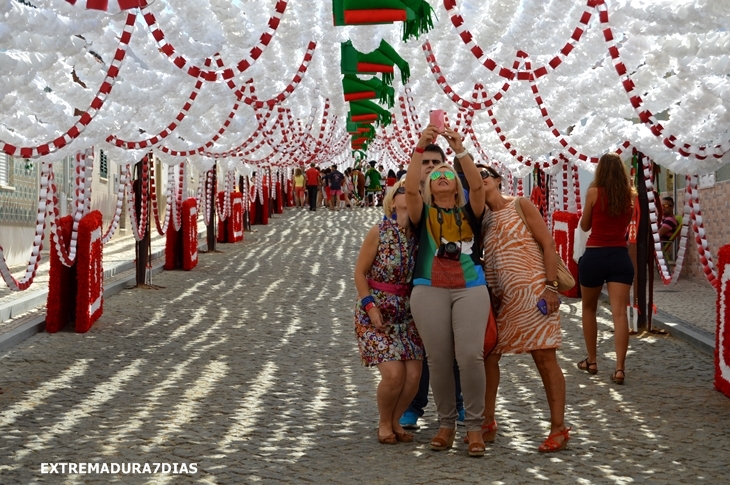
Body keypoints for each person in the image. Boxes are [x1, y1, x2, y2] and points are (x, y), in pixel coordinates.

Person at [405, 123, 489, 457]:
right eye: (434, 174)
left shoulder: (470, 210)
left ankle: (475, 428)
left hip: (470, 288)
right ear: (428, 185)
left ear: (456, 185)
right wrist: (420, 146)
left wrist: (460, 150)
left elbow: (479, 186)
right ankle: (446, 425)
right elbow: (410, 190)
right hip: (429, 289)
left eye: (447, 173)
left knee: (470, 356)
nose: (441, 175)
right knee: (438, 359)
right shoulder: (421, 212)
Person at [479, 164, 571, 452]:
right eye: (474, 176)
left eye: (484, 175)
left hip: (534, 294)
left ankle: (558, 428)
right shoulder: (481, 218)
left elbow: (547, 244)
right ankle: (488, 420)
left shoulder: (520, 204)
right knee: (489, 356)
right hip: (500, 300)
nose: (480, 180)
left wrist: (550, 287)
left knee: (544, 358)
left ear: (496, 180)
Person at [399, 144, 465, 431]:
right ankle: (415, 405)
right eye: (423, 161)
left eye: (434, 162)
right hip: (419, 283)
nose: (428, 166)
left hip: (456, 282)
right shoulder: (408, 194)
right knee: (423, 349)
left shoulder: (458, 200)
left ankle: (457, 404)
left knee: (456, 347)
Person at [354, 179, 424, 445]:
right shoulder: (379, 231)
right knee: (394, 374)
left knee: (414, 377)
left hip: (407, 313)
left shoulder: (420, 234)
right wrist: (370, 307)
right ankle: (384, 422)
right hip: (377, 311)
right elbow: (359, 273)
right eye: (403, 191)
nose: (409, 195)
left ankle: (396, 420)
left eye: (414, 191)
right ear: (393, 200)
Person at [577, 152, 636, 385]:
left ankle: (592, 361)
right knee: (619, 313)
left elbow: (585, 225)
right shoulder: (629, 197)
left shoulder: (593, 193)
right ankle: (620, 368)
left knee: (589, 308)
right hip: (620, 256)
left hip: (595, 254)